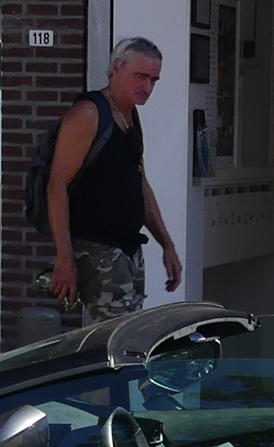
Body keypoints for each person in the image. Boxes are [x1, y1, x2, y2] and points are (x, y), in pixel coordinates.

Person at [46, 38, 182, 322]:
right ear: (116, 68)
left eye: (154, 80)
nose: (147, 87)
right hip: (97, 249)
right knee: (112, 342)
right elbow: (56, 184)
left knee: (132, 335)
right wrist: (65, 258)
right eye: (140, 76)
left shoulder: (130, 113)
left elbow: (139, 182)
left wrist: (166, 243)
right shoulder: (89, 113)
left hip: (128, 248)